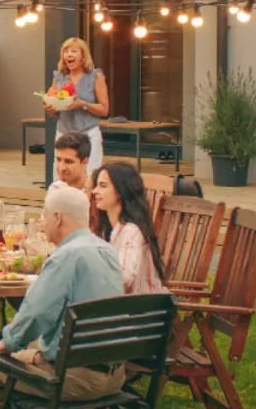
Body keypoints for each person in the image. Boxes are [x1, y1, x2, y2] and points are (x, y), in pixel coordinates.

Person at [0, 185, 126, 409]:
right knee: (33, 345)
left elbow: (36, 314)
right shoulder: (106, 250)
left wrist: (8, 342)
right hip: (114, 373)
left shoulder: (66, 257)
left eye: (44, 214)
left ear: (58, 217)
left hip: (74, 378)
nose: (42, 221)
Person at [92, 162, 167, 295]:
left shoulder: (132, 232)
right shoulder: (108, 229)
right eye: (96, 185)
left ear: (121, 191)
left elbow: (124, 277)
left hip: (141, 309)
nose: (94, 191)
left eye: (103, 186)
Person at [43, 37, 109, 172]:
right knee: (61, 177)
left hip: (88, 135)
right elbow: (55, 111)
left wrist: (82, 104)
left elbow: (104, 110)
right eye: (66, 51)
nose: (69, 54)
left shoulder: (95, 76)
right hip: (63, 135)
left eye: (74, 51)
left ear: (83, 56)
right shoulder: (59, 77)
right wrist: (50, 108)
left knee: (89, 176)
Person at [48, 131, 97, 231]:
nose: (61, 168)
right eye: (58, 160)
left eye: (68, 161)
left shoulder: (96, 193)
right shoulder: (55, 188)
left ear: (85, 161)